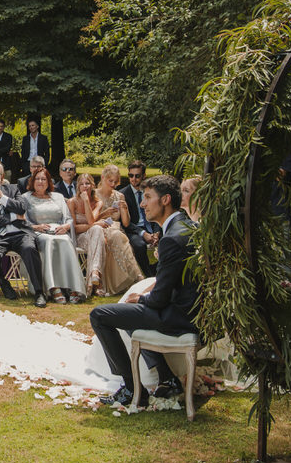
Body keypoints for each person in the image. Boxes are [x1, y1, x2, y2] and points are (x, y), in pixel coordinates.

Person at [91, 174, 199, 407]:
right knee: (132, 311)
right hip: (190, 310)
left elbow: (159, 298)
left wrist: (141, 298)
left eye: (148, 197)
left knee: (100, 316)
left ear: (165, 200)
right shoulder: (187, 226)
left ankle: (132, 388)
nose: (142, 203)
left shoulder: (173, 238)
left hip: (178, 315)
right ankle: (168, 378)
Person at [0, 160, 47, 306]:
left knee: (29, 249)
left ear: (1, 176)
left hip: (19, 233)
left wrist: (2, 198)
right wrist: (13, 216)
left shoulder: (13, 189)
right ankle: (4, 284)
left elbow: (22, 208)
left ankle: (39, 292)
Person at [71, 172, 140, 297]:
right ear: (78, 186)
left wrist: (124, 209)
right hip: (81, 237)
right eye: (82, 184)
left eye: (87, 183)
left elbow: (93, 221)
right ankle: (98, 280)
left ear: (92, 185)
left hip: (97, 235)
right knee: (98, 230)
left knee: (98, 232)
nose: (85, 186)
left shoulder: (98, 203)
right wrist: (86, 202)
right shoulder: (72, 202)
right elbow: (76, 228)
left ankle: (95, 273)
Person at [24, 169, 86, 304]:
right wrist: (36, 227)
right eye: (37, 179)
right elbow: (23, 221)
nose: (40, 182)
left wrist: (65, 227)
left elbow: (69, 219)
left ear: (48, 182)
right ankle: (54, 287)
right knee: (48, 241)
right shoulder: (26, 197)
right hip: (39, 232)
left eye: (43, 179)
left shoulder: (57, 197)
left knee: (65, 240)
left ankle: (71, 286)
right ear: (33, 181)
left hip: (59, 230)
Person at [120, 160, 158, 276]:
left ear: (144, 176)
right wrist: (142, 233)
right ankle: (148, 275)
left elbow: (158, 213)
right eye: (131, 175)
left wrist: (157, 232)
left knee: (169, 240)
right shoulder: (123, 194)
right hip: (133, 229)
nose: (133, 179)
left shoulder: (152, 192)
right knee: (139, 245)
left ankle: (158, 271)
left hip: (152, 225)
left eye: (137, 176)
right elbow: (125, 222)